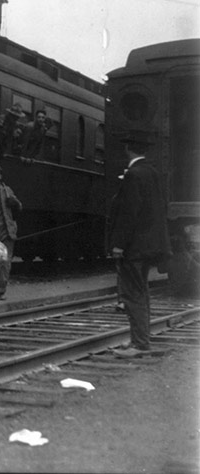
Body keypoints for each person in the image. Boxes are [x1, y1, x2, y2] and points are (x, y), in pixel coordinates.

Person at [108, 132, 170, 358]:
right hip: (149, 245)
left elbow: (129, 213)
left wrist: (119, 245)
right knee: (141, 292)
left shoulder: (134, 175)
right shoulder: (153, 173)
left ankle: (140, 343)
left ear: (128, 149)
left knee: (132, 293)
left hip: (134, 247)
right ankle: (139, 339)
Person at [0, 165, 23, 300]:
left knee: (5, 262)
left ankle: (1, 290)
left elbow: (19, 207)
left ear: (0, 176)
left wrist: (14, 203)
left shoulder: (7, 190)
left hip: (6, 231)